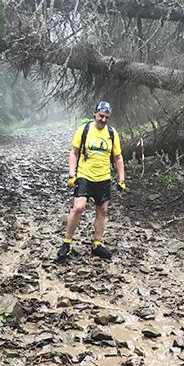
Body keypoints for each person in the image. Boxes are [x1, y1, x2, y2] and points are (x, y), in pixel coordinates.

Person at [57, 101, 126, 261]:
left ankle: (97, 244)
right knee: (79, 207)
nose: (103, 120)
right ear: (95, 113)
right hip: (84, 174)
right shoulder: (84, 130)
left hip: (103, 177)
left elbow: (118, 157)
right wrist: (71, 174)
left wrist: (121, 178)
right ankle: (66, 243)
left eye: (106, 117)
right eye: (101, 116)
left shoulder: (111, 133)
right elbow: (74, 153)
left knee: (102, 210)